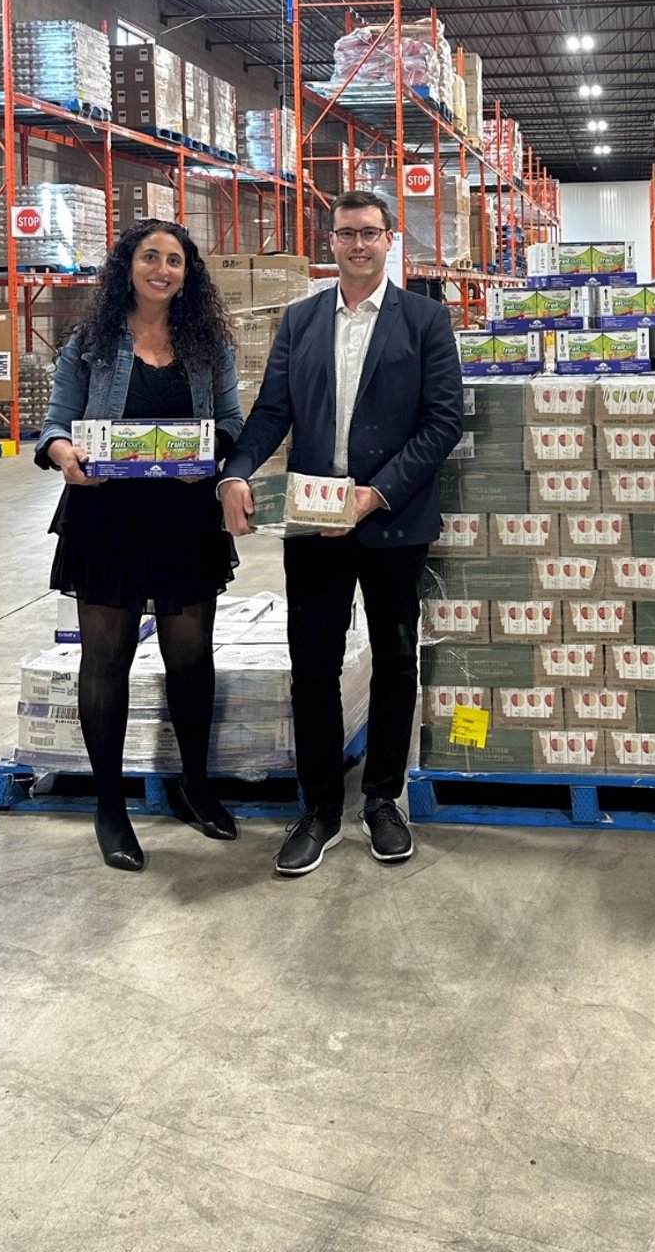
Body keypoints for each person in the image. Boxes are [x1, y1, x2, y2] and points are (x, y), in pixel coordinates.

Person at [218, 190, 464, 877]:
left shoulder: (425, 321)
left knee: (394, 661)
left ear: (391, 240)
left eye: (370, 233)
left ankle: (382, 800)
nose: (357, 245)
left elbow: (442, 423)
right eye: (345, 234)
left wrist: (375, 492)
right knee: (313, 667)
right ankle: (319, 809)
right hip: (314, 522)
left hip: (392, 519)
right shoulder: (299, 322)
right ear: (331, 243)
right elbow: (270, 413)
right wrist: (235, 471)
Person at [36, 219, 243, 873]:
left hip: (185, 516)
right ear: (128, 266)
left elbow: (233, 422)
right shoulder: (92, 343)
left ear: (188, 275)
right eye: (150, 256)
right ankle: (110, 808)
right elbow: (55, 425)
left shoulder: (207, 345)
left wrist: (210, 455)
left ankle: (196, 788)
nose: (162, 269)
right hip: (106, 515)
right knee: (106, 662)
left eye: (174, 260)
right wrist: (64, 453)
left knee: (190, 659)